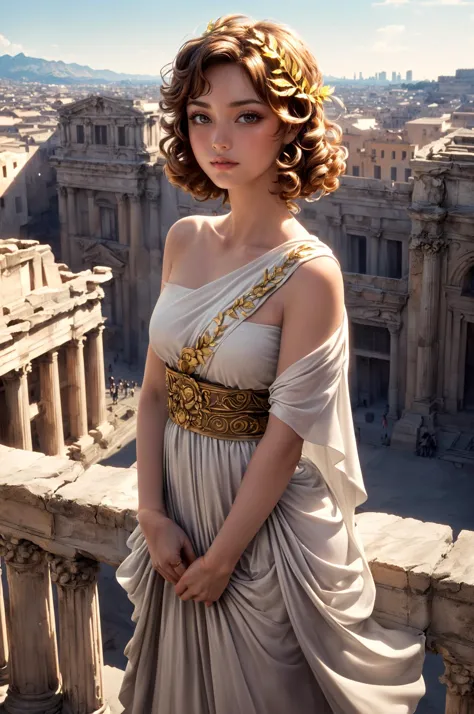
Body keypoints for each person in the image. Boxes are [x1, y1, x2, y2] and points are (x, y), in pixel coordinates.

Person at [116, 14, 425, 714]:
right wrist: (152, 513)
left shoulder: (311, 274)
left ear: (290, 125)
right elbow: (156, 392)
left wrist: (223, 558)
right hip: (179, 519)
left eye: (245, 115)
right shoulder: (182, 237)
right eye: (201, 116)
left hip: (256, 538)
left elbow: (285, 441)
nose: (217, 140)